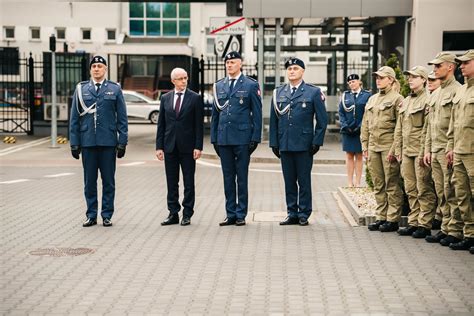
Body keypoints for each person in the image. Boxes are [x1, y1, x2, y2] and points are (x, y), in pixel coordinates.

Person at [69, 55, 128, 227]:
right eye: (93, 66)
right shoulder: (81, 89)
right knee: (89, 182)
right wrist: (74, 142)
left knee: (108, 181)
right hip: (87, 142)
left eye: (100, 66)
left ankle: (107, 215)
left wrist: (122, 141)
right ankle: (91, 215)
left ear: (105, 69)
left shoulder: (115, 89)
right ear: (90, 69)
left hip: (108, 143)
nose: (96, 69)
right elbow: (74, 118)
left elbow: (122, 119)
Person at [269, 57, 328, 226]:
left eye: (295, 68)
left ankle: (304, 213)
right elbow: (274, 120)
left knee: (303, 181)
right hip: (285, 143)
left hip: (304, 144)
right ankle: (292, 213)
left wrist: (316, 142)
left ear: (302, 71)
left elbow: (322, 120)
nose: (292, 71)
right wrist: (274, 143)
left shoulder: (313, 92)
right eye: (289, 69)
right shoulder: (279, 92)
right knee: (289, 181)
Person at [211, 51, 262, 226]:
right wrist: (213, 139)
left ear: (241, 63)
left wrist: (255, 138)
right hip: (224, 138)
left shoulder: (250, 85)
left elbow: (257, 113)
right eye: (227, 63)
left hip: (242, 138)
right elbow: (215, 115)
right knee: (227, 178)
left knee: (241, 178)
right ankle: (230, 213)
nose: (229, 65)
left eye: (233, 62)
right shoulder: (219, 86)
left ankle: (241, 214)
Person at [423, 52, 463, 246]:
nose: (435, 69)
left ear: (450, 67)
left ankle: (455, 230)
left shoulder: (458, 90)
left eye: (438, 66)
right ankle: (445, 227)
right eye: (434, 66)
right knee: (441, 191)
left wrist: (452, 147)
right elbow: (430, 125)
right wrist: (428, 149)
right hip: (436, 148)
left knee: (451, 191)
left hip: (448, 149)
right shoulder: (436, 93)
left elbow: (457, 125)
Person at [156, 68, 204, 226]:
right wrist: (159, 147)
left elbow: (199, 126)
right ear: (173, 81)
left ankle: (187, 213)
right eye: (180, 78)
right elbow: (161, 124)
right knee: (171, 182)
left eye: (185, 78)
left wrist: (198, 146)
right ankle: (173, 213)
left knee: (188, 181)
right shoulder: (165, 98)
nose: (184, 81)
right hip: (169, 146)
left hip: (188, 147)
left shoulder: (195, 98)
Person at [394, 66, 436, 238]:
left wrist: (425, 151)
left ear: (424, 79)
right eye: (409, 77)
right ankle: (413, 222)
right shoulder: (406, 100)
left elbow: (428, 129)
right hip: (406, 152)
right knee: (410, 189)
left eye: (415, 77)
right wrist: (398, 149)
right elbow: (399, 128)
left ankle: (424, 224)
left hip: (419, 151)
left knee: (423, 188)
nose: (410, 80)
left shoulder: (428, 100)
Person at [361, 66, 404, 232]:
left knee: (391, 183)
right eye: (377, 77)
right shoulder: (372, 99)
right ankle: (381, 216)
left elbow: (400, 126)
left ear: (391, 79)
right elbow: (365, 124)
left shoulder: (397, 99)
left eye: (381, 77)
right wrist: (364, 145)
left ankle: (392, 219)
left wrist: (395, 149)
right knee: (378, 184)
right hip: (373, 147)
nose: (378, 80)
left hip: (388, 147)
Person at [445, 49, 474, 252]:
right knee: (461, 194)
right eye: (460, 63)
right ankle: (469, 234)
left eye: (466, 63)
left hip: (472, 152)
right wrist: (450, 147)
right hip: (459, 151)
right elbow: (454, 124)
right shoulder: (462, 91)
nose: (461, 66)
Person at [338, 74, 371, 187]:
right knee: (349, 156)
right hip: (347, 130)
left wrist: (361, 126)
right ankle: (349, 182)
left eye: (354, 81)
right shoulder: (345, 96)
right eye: (350, 82)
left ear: (359, 82)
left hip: (361, 130)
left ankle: (357, 182)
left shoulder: (367, 95)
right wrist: (345, 125)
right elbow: (341, 112)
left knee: (359, 156)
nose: (352, 84)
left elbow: (368, 113)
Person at [426, 70, 442, 230]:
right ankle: (436, 219)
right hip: (432, 148)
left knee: (445, 189)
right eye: (428, 80)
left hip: (445, 148)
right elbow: (428, 129)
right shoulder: (430, 99)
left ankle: (440, 219)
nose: (430, 82)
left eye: (433, 79)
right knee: (436, 185)